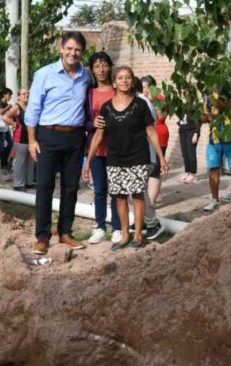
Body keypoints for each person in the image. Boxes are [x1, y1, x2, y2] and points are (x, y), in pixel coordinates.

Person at [84, 66, 168, 250]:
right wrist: (88, 161)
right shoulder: (106, 108)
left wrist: (161, 157)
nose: (124, 81)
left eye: (128, 77)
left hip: (138, 156)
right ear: (114, 83)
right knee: (119, 196)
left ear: (132, 81)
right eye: (120, 78)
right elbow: (98, 136)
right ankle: (124, 235)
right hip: (115, 158)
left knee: (137, 195)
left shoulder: (140, 105)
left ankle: (138, 235)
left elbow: (151, 131)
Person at [25, 31, 91, 255]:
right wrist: (32, 140)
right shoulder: (44, 74)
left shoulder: (86, 76)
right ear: (61, 49)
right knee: (44, 186)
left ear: (82, 52)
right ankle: (43, 236)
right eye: (69, 48)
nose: (73, 53)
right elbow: (33, 108)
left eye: (78, 50)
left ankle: (65, 232)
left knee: (71, 187)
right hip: (48, 136)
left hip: (76, 137)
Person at [84, 51, 121, 245]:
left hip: (116, 147)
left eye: (105, 65)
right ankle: (99, 227)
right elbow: (84, 120)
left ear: (110, 67)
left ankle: (117, 227)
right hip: (96, 148)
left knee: (116, 190)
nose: (101, 70)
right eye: (97, 66)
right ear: (92, 69)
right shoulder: (89, 93)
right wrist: (93, 124)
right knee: (100, 190)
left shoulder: (118, 90)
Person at [201, 87, 231, 212]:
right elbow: (203, 117)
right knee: (213, 170)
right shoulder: (208, 98)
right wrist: (206, 117)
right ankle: (215, 200)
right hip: (214, 140)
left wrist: (223, 106)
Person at [141, 75, 167, 205]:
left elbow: (161, 116)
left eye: (146, 87)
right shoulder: (140, 99)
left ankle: (151, 203)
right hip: (143, 137)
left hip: (158, 135)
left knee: (155, 170)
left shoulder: (159, 99)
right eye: (142, 88)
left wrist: (153, 101)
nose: (144, 90)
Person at [3, 88, 35, 191]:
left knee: (30, 162)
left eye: (28, 93)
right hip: (20, 139)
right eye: (24, 94)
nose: (26, 95)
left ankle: (29, 182)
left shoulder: (29, 106)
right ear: (19, 96)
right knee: (20, 163)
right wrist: (14, 124)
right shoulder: (16, 107)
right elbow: (5, 117)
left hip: (30, 139)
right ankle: (18, 184)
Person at [177, 89, 199, 184]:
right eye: (185, 93)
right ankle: (187, 172)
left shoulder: (195, 104)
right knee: (185, 153)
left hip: (191, 130)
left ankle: (193, 174)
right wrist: (179, 124)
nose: (186, 94)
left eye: (188, 92)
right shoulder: (183, 104)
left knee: (191, 153)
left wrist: (196, 133)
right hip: (183, 129)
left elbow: (197, 119)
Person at [0, 88, 14, 173]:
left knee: (10, 144)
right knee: (2, 146)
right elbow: (0, 112)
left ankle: (5, 162)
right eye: (9, 95)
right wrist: (8, 107)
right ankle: (3, 164)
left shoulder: (6, 103)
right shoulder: (0, 103)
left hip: (5, 126)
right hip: (0, 128)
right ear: (4, 95)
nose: (10, 97)